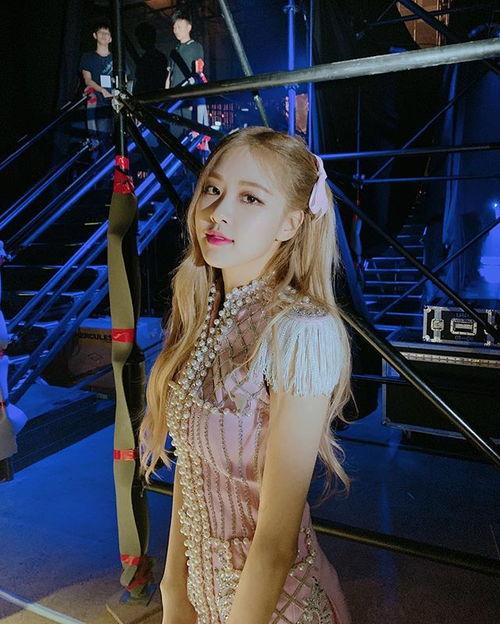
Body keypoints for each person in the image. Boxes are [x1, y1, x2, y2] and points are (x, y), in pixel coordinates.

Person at [139, 127, 352, 624]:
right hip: (205, 599)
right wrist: (175, 593)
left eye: (250, 197)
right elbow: (193, 469)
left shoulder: (300, 331)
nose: (218, 212)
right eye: (212, 189)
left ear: (290, 224)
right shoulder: (206, 315)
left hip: (275, 608)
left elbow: (276, 542)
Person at [165, 13, 205, 139]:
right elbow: (169, 74)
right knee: (174, 130)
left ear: (189, 27)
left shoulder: (195, 47)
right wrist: (166, 95)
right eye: (174, 27)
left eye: (179, 27)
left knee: (189, 131)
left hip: (188, 96)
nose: (176, 30)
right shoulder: (174, 50)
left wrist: (194, 97)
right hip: (174, 97)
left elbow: (198, 72)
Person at [79, 22, 114, 146]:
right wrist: (102, 90)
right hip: (99, 101)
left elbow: (125, 78)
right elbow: (87, 80)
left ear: (110, 38)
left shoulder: (116, 58)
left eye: (107, 33)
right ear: (95, 35)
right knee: (101, 136)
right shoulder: (88, 57)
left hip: (115, 101)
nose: (104, 35)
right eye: (101, 32)